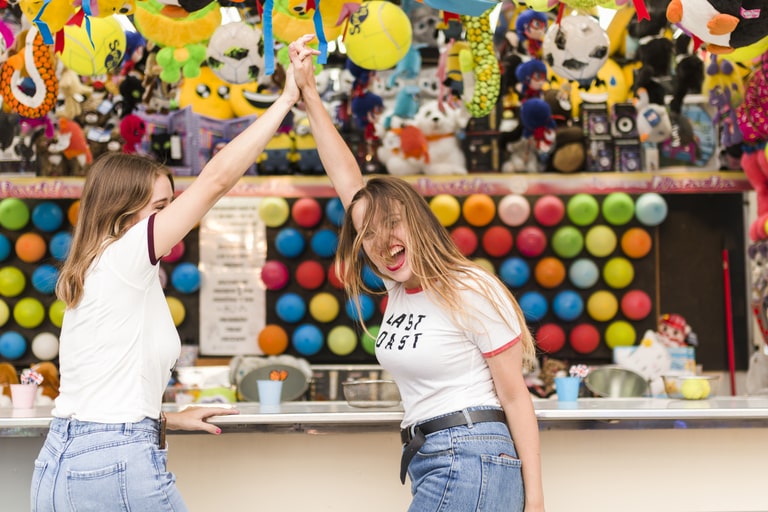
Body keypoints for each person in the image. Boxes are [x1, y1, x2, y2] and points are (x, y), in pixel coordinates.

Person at [29, 35, 318, 512]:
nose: (171, 219)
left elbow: (102, 391)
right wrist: (288, 96)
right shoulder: (123, 256)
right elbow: (217, 179)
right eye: (161, 208)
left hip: (63, 463)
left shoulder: (100, 266)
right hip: (114, 461)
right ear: (124, 212)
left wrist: (163, 420)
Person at [289, 37, 545, 512]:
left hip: (473, 458)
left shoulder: (471, 287)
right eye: (367, 234)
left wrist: (536, 503)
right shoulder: (399, 287)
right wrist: (308, 93)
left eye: (391, 225)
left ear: (417, 222)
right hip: (437, 458)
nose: (380, 241)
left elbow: (516, 399)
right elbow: (347, 179)